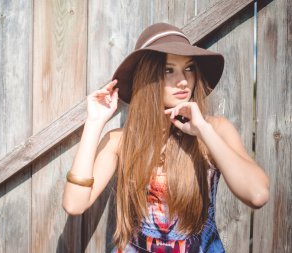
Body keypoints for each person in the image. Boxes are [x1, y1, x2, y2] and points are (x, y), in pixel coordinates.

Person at [62, 23, 269, 253]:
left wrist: (203, 130)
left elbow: (258, 194)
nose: (183, 80)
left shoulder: (215, 129)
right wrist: (94, 122)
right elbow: (74, 204)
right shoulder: (121, 141)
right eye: (168, 70)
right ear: (148, 77)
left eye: (189, 68)